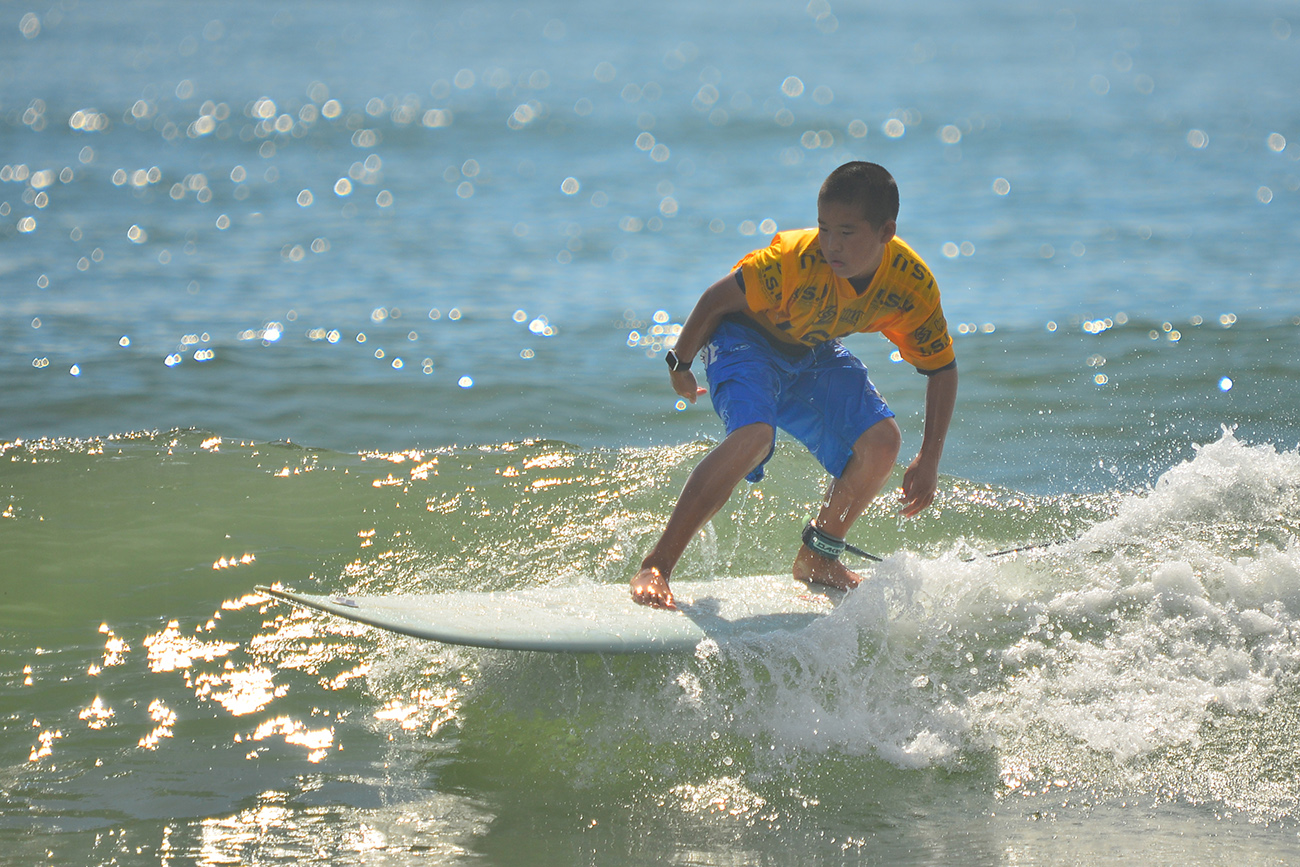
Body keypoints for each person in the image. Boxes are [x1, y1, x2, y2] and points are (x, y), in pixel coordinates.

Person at [630, 161, 958, 608]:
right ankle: (656, 566)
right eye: (824, 229)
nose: (831, 245)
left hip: (810, 349)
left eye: (846, 232)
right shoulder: (794, 261)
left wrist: (930, 458)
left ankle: (819, 556)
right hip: (743, 340)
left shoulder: (909, 286)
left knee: (882, 441)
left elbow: (942, 368)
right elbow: (714, 300)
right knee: (754, 437)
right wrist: (679, 365)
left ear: (886, 231)